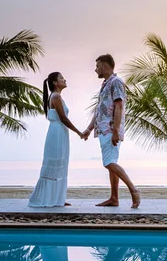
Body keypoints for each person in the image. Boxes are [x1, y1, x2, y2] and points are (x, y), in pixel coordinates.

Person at [82, 54, 140, 208]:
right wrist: (89, 129)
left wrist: (115, 130)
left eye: (97, 66)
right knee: (111, 162)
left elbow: (119, 106)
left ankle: (133, 190)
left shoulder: (116, 82)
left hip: (110, 129)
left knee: (108, 163)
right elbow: (100, 110)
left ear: (105, 66)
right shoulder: (106, 84)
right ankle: (114, 198)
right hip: (103, 129)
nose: (95, 70)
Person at [29, 72, 84, 208]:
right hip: (57, 132)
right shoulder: (56, 96)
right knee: (54, 164)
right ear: (55, 82)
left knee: (62, 164)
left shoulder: (56, 97)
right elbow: (63, 118)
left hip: (59, 132)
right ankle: (48, 198)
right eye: (61, 78)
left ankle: (58, 198)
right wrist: (79, 132)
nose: (65, 80)